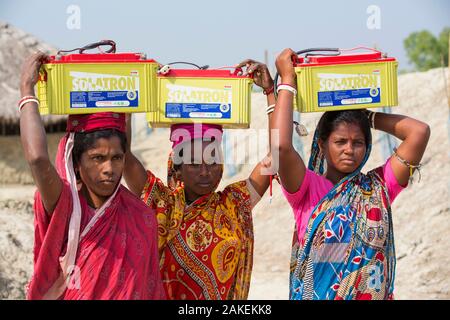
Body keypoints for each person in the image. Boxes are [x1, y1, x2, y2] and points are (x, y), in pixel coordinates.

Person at [271, 48, 430, 300]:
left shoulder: (378, 187)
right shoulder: (306, 188)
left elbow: (419, 132)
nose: (349, 150)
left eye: (358, 142)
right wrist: (286, 83)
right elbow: (280, 146)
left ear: (367, 147)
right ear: (322, 144)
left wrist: (367, 116)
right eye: (340, 141)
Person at [123, 60, 275, 300]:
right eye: (194, 163)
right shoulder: (162, 203)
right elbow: (124, 157)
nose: (206, 171)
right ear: (178, 169)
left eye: (213, 161)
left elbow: (277, 156)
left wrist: (270, 92)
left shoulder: (234, 203)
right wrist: (130, 91)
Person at [20, 52, 165, 300]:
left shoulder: (141, 217)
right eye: (98, 158)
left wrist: (130, 92)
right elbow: (37, 159)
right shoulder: (64, 204)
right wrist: (26, 90)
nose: (109, 168)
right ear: (77, 163)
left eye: (116, 158)